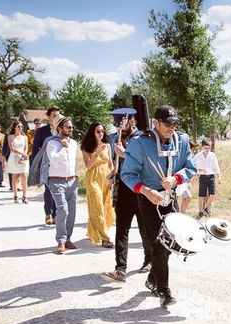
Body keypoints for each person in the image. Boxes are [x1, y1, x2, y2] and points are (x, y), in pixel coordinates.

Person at [120, 105, 196, 308]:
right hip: (149, 198)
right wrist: (145, 191)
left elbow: (191, 168)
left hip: (170, 196)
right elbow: (127, 174)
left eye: (175, 123)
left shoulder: (182, 140)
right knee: (159, 244)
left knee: (170, 243)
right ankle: (164, 290)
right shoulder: (139, 143)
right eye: (167, 124)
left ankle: (153, 279)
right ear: (155, 123)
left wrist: (176, 178)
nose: (172, 127)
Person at [102, 112, 153, 283]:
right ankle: (120, 268)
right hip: (123, 187)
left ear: (131, 121)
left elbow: (146, 162)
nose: (120, 129)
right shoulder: (116, 138)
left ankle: (150, 259)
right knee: (121, 229)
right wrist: (113, 173)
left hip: (139, 188)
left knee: (144, 228)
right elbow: (118, 163)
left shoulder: (144, 138)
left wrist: (125, 154)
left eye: (122, 125)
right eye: (118, 126)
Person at [40, 115, 79, 254]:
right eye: (68, 127)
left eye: (71, 126)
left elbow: (74, 162)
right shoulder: (51, 143)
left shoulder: (74, 143)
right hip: (56, 181)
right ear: (60, 128)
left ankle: (68, 239)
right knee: (63, 209)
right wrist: (62, 147)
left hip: (72, 181)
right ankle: (61, 241)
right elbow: (54, 159)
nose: (71, 129)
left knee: (72, 212)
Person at [81, 121, 115, 248]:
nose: (101, 134)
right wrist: (97, 153)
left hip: (106, 179)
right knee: (97, 206)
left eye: (102, 131)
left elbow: (110, 163)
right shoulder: (86, 147)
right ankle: (105, 238)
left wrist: (113, 177)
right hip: (93, 179)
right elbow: (88, 165)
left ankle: (93, 231)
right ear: (92, 133)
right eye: (98, 131)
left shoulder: (107, 146)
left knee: (105, 207)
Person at [32, 107, 62, 225]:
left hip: (59, 165)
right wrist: (35, 166)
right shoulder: (42, 131)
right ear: (48, 117)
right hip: (46, 164)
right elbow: (35, 150)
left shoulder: (62, 130)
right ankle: (48, 213)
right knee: (49, 188)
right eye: (54, 115)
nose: (57, 117)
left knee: (58, 189)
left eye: (58, 115)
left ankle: (55, 213)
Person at [194, 138, 221, 218]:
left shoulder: (212, 155)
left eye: (209, 148)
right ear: (202, 147)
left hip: (211, 177)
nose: (207, 150)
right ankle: (200, 211)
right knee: (201, 195)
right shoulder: (197, 156)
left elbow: (216, 166)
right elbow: (193, 167)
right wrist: (199, 169)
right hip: (202, 177)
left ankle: (205, 207)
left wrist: (219, 176)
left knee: (212, 194)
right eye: (206, 148)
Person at [6, 121, 30, 203]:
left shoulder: (24, 137)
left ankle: (24, 195)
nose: (20, 128)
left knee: (24, 175)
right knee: (15, 176)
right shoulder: (11, 136)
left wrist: (24, 155)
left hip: (23, 157)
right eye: (18, 126)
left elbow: (26, 147)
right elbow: (12, 148)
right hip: (14, 157)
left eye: (21, 126)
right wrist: (21, 153)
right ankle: (15, 195)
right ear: (15, 127)